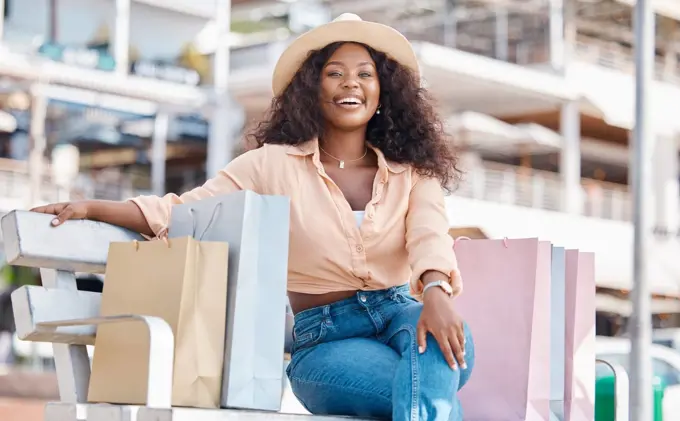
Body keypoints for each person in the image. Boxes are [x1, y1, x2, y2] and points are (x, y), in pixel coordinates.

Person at [31, 13, 475, 421]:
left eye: (365, 74)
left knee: (448, 350)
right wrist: (91, 207)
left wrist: (435, 290)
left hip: (403, 313)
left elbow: (429, 234)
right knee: (434, 394)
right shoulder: (270, 165)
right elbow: (186, 210)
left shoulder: (413, 173)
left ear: (383, 92)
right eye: (334, 73)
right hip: (326, 342)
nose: (350, 84)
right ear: (312, 89)